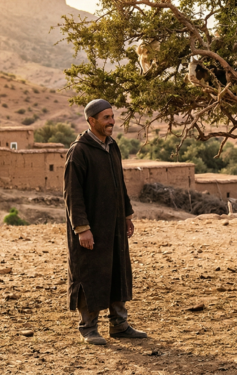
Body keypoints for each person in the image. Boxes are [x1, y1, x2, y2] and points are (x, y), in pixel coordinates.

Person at [64, 99, 148, 345]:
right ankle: (88, 327)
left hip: (114, 225)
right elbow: (72, 193)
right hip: (90, 228)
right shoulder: (79, 151)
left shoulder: (112, 146)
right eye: (106, 118)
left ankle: (119, 325)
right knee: (90, 274)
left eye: (112, 116)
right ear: (92, 121)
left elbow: (118, 183)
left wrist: (126, 216)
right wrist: (82, 228)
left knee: (117, 270)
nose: (112, 121)